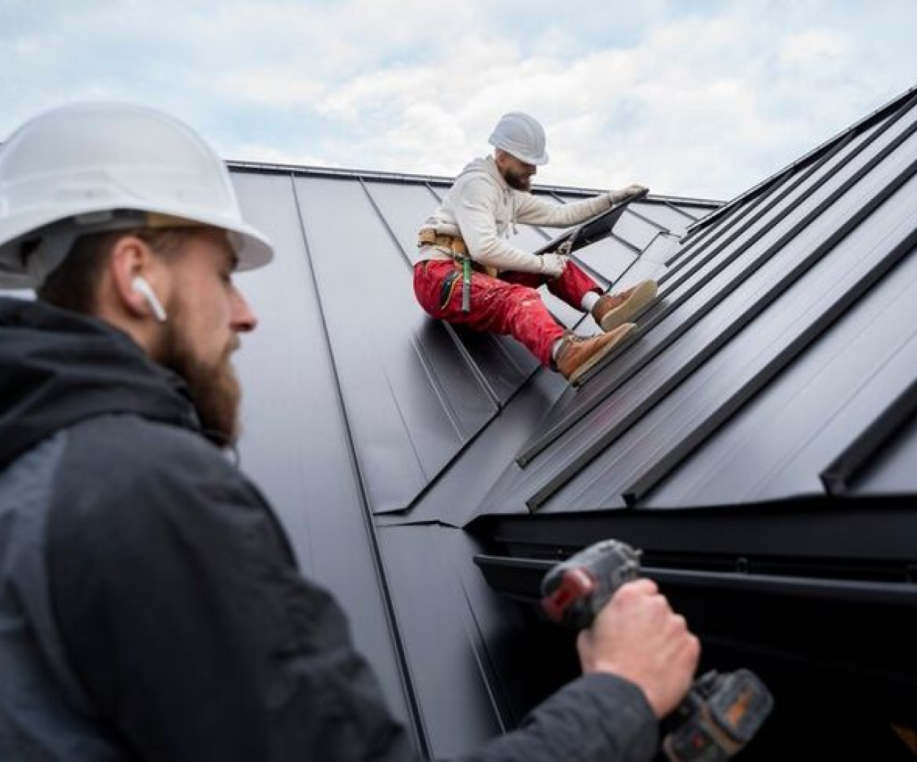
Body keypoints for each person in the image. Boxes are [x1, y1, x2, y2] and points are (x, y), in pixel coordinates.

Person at [0, 103, 700, 761]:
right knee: (520, 293)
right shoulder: (142, 490)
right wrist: (620, 696)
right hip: (449, 274)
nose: (246, 314)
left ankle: (595, 312)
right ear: (134, 273)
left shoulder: (37, 485)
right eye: (221, 273)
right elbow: (491, 247)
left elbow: (552, 212)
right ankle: (568, 349)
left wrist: (609, 202)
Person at [414, 112, 658, 384]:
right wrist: (542, 265)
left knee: (556, 264)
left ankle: (602, 307)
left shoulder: (506, 193)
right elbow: (483, 248)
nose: (534, 170)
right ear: (502, 154)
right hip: (438, 278)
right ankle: (566, 353)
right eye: (527, 162)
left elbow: (559, 215)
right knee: (517, 298)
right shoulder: (477, 185)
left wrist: (611, 199)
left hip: (473, 277)